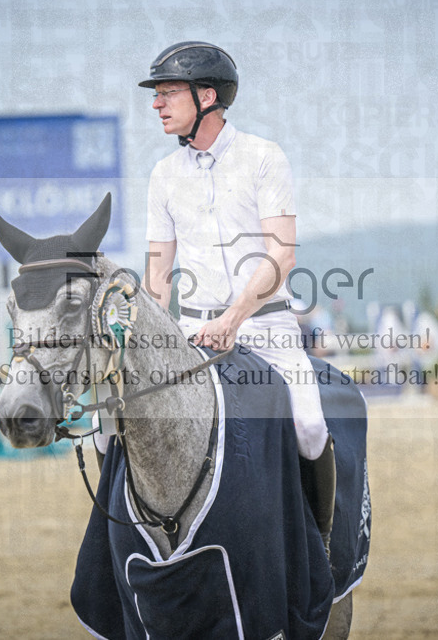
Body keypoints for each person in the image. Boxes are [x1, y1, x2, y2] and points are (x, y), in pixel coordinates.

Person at [139, 41, 336, 555]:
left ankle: (318, 549)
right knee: (123, 423)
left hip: (265, 327)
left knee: (311, 427)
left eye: (168, 93)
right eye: (156, 95)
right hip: (190, 333)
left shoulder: (264, 158)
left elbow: (282, 256)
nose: (157, 104)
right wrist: (139, 336)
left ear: (208, 96)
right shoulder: (162, 176)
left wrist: (233, 317)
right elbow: (159, 274)